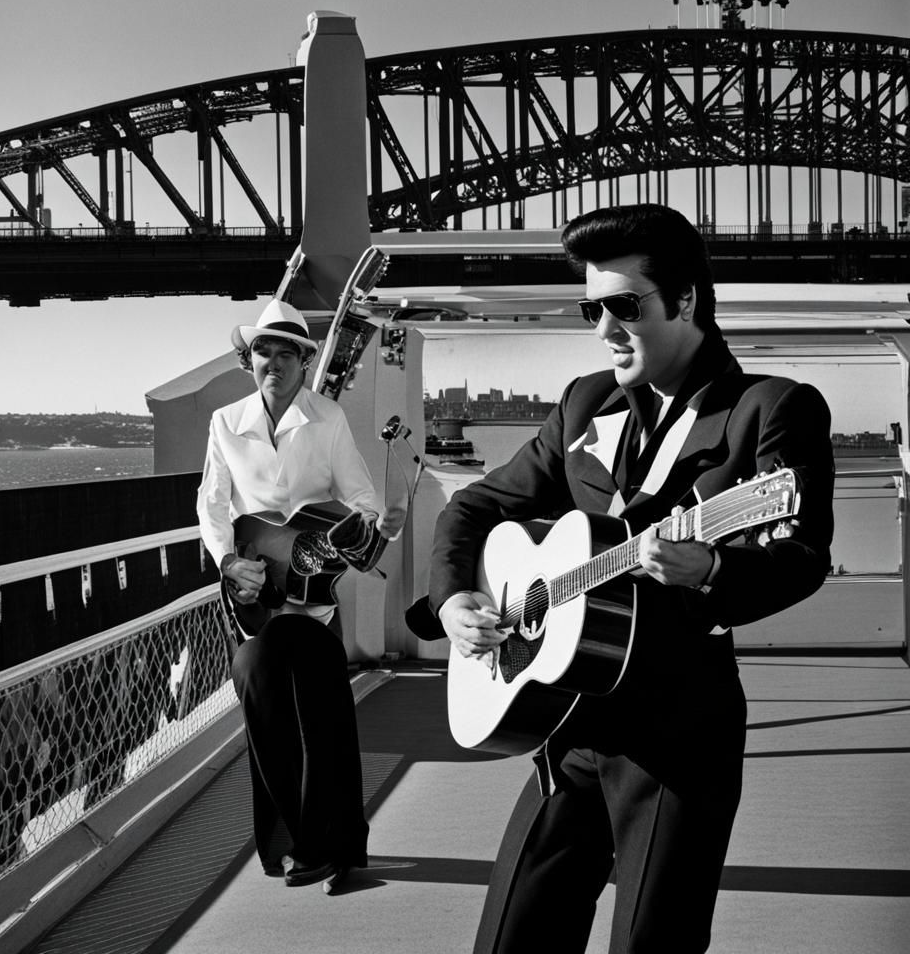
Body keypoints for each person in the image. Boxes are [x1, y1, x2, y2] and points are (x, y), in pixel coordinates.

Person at [426, 204, 834, 952]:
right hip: (567, 722)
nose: (603, 329)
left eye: (623, 306)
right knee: (511, 934)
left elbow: (802, 556)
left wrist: (712, 566)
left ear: (685, 300)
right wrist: (454, 598)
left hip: (680, 736)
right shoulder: (586, 402)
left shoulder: (768, 409)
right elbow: (475, 508)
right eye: (592, 307)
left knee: (652, 942)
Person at [197, 298, 403, 889]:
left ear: (304, 363)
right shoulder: (224, 422)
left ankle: (332, 849)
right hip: (254, 597)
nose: (275, 362)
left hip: (313, 600)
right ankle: (293, 842)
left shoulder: (328, 417)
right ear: (249, 358)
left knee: (324, 711)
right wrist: (231, 562)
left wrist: (358, 529)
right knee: (259, 688)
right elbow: (212, 504)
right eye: (264, 351)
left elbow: (361, 499)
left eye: (288, 353)